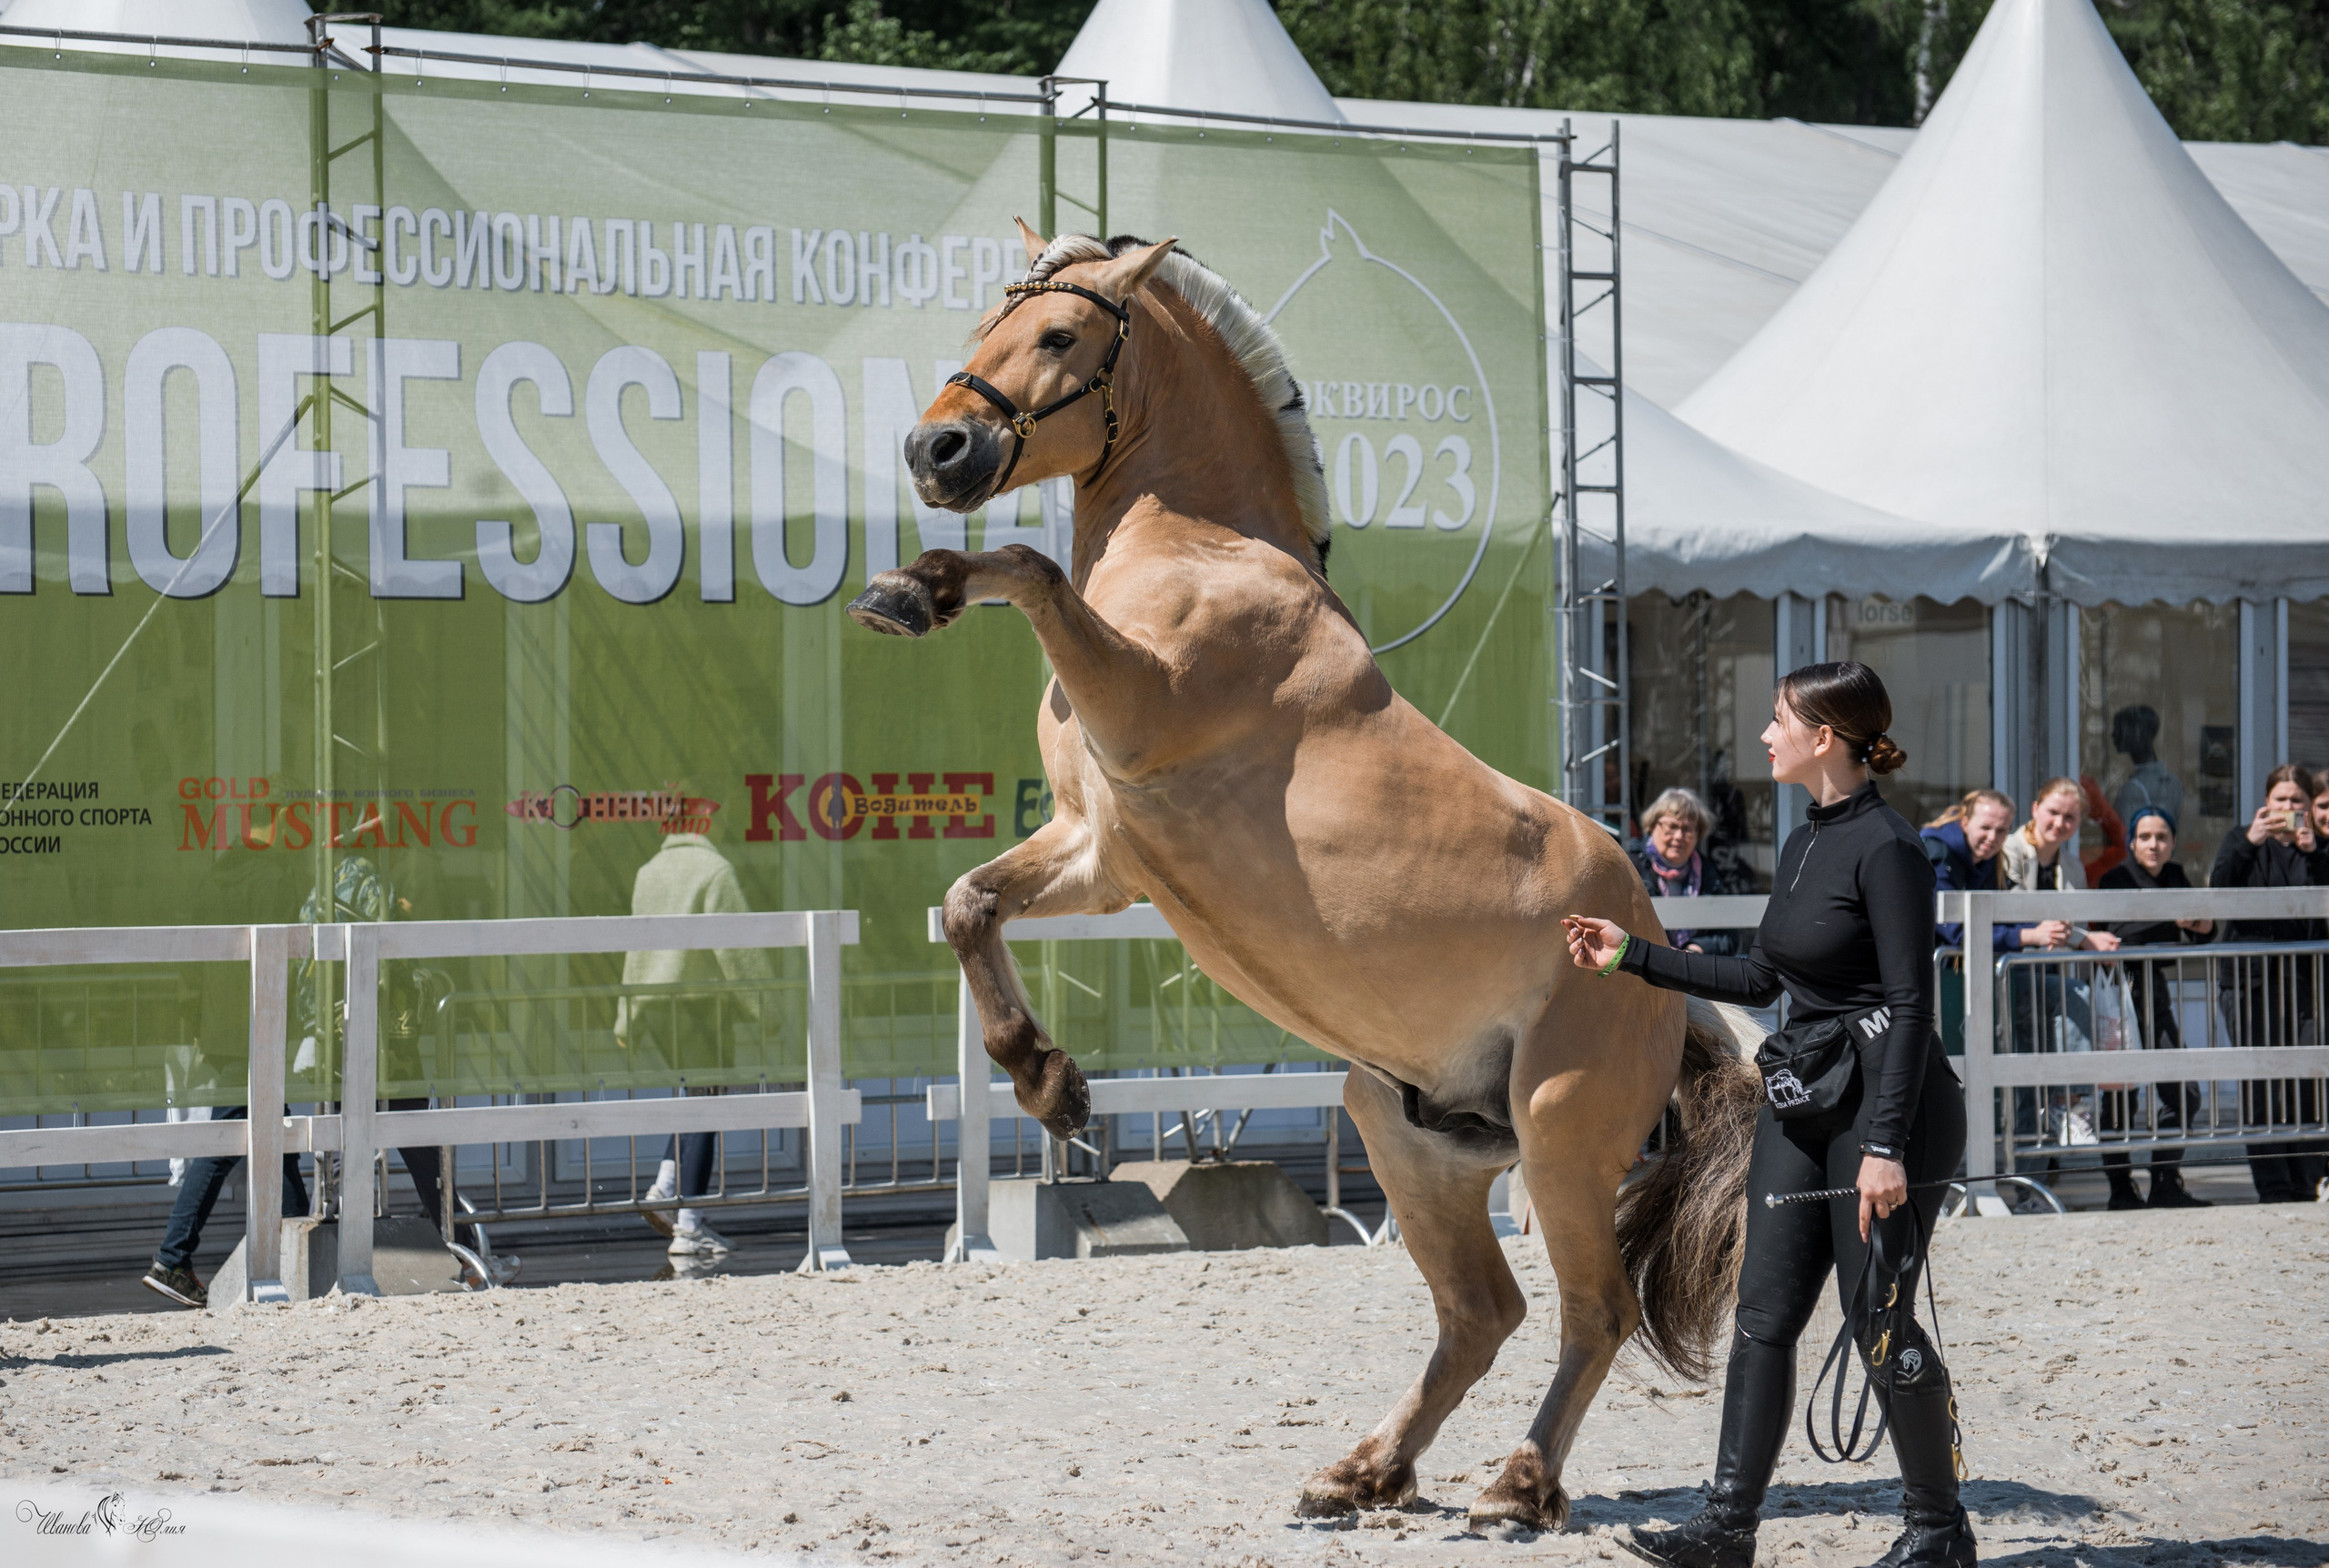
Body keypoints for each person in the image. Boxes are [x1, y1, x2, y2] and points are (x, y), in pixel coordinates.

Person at [1566, 661, 1974, 1568]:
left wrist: (1882, 1145)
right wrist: (1630, 953)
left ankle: (1939, 1530)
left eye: (1777, 718)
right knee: (1763, 1313)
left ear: (1823, 735)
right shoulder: (1801, 840)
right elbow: (1761, 979)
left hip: (1887, 1109)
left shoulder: (1889, 846)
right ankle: (1725, 1527)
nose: (1764, 734)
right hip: (1805, 1098)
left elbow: (1913, 1005)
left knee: (1879, 1318)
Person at [616, 813, 775, 1257]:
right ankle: (689, 1224)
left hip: (658, 1007)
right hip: (704, 1007)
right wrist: (768, 1008)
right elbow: (737, 949)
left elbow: (637, 947)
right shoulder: (715, 871)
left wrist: (625, 1017)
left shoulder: (648, 871)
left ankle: (664, 1187)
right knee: (708, 1108)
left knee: (691, 1098)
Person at [2211, 765, 2329, 1202]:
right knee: (2259, 1080)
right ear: (2265, 802)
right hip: (2250, 981)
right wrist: (2250, 842)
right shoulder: (2242, 839)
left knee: (2309, 1077)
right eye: (2280, 800)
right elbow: (2218, 889)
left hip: (2307, 982)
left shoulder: (2319, 848)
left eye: (2297, 801)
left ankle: (2309, 1176)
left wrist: (2314, 852)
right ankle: (2273, 1181)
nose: (2288, 809)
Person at [2094, 807, 2213, 1211]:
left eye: (2162, 837)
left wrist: (2199, 925)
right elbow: (2116, 932)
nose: (2154, 845)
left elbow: (2204, 932)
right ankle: (2120, 1187)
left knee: (2184, 1091)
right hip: (2120, 993)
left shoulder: (2177, 875)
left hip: (2155, 991)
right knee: (2120, 1095)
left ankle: (2165, 1179)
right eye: (2145, 836)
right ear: (2131, 842)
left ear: (2173, 842)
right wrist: (2171, 920)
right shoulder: (2116, 878)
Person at [1632, 787, 1747, 956]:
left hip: (1691, 972)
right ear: (1652, 826)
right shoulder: (1631, 867)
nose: (1679, 836)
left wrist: (1696, 950)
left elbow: (1729, 937)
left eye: (1687, 829)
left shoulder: (1709, 874)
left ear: (1698, 834)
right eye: (1671, 826)